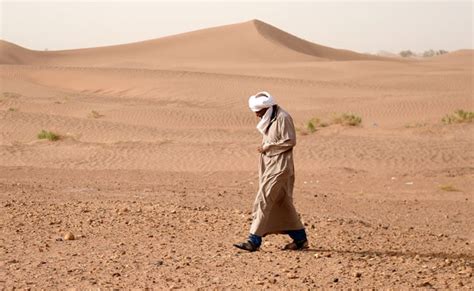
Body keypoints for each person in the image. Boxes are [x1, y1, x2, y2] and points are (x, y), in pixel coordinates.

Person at [233, 91, 308, 252]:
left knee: (263, 199)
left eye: (259, 112)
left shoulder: (283, 118)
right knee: (283, 203)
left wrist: (268, 147)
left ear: (267, 108)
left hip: (280, 167)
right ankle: (300, 239)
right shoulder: (271, 117)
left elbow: (290, 141)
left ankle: (253, 241)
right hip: (270, 165)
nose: (257, 115)